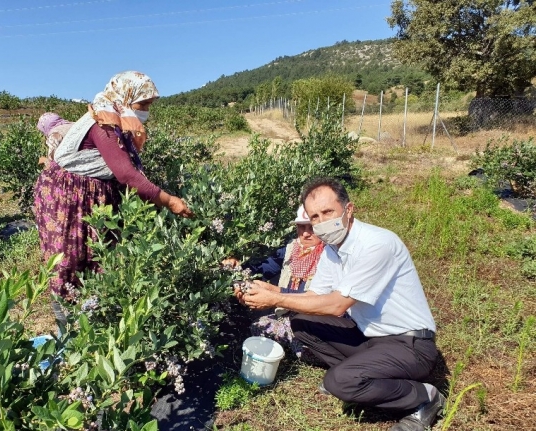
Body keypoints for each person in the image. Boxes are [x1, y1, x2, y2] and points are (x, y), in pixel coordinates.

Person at [235, 177, 444, 431]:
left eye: (327, 212)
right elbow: (314, 296)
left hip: (411, 346)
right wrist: (272, 289)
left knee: (339, 382)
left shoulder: (377, 244)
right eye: (314, 217)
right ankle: (363, 376)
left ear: (349, 209)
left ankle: (424, 398)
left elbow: (336, 305)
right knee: (300, 323)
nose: (321, 223)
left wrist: (276, 298)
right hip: (370, 338)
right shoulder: (333, 249)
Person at [33, 70, 193, 301]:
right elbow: (127, 174)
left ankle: (93, 310)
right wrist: (169, 201)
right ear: (125, 98)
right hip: (70, 198)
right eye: (143, 104)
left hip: (86, 194)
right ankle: (67, 320)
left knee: (98, 257)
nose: (146, 110)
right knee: (72, 258)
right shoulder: (103, 123)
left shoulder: (112, 118)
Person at [223, 204, 324, 358]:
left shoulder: (329, 256)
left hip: (315, 316)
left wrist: (273, 294)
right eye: (301, 227)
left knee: (305, 341)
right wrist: (239, 268)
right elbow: (265, 267)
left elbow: (319, 298)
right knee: (259, 328)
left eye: (311, 228)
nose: (305, 234)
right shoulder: (291, 249)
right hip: (287, 314)